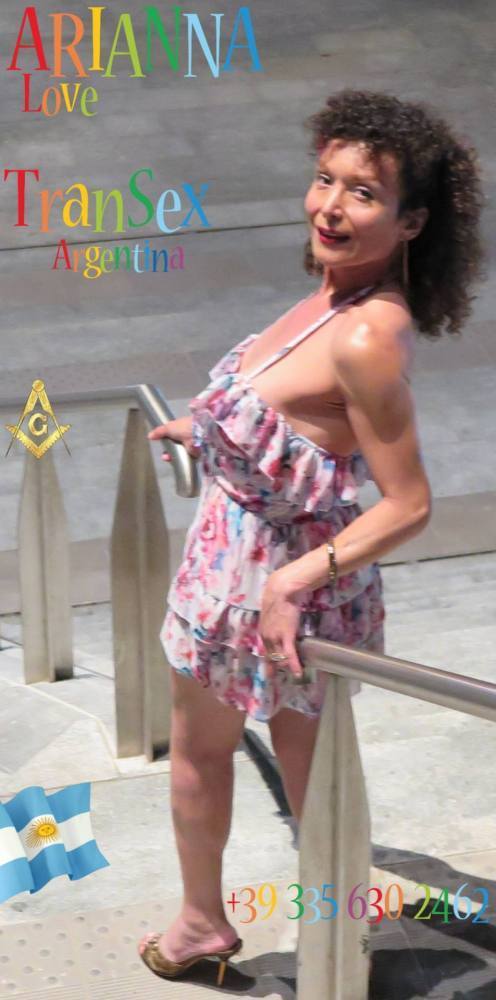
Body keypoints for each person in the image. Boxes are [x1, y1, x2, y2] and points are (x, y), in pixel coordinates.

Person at [138, 89, 484, 984]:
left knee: (305, 782)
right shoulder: (330, 297)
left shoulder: (369, 334)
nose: (330, 206)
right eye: (325, 179)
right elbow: (294, 418)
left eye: (363, 193)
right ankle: (209, 924)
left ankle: (321, 946)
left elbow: (408, 503)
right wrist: (208, 430)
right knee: (231, 763)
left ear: (411, 222)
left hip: (294, 590)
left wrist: (292, 582)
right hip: (228, 568)